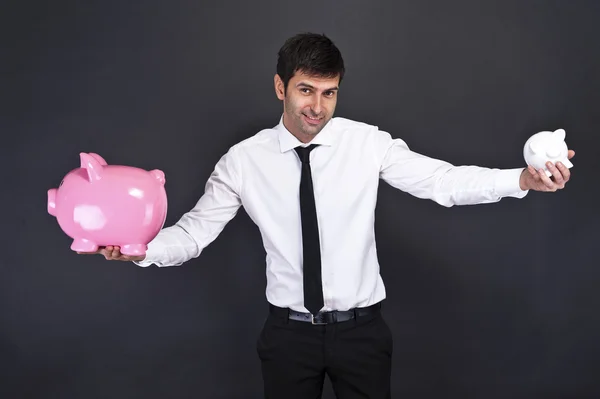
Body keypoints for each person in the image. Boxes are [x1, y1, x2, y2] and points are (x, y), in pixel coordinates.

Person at [80, 33, 574, 398]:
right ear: (280, 87)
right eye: (306, 90)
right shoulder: (242, 161)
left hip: (361, 332)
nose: (317, 107)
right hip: (287, 335)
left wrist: (521, 180)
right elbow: (193, 234)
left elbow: (442, 182)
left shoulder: (368, 144)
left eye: (329, 92)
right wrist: (138, 250)